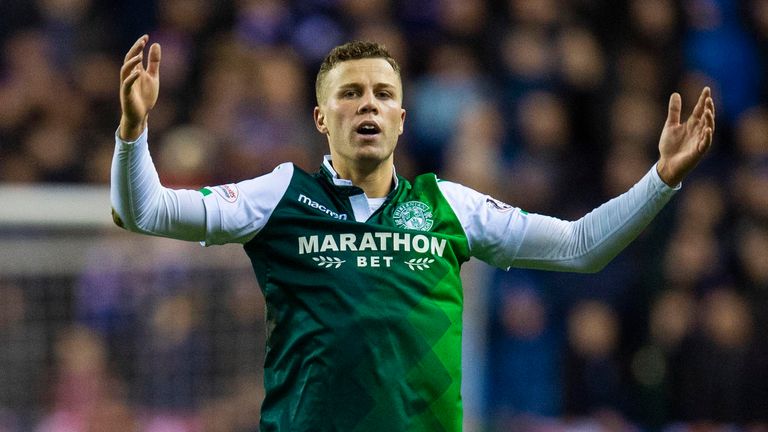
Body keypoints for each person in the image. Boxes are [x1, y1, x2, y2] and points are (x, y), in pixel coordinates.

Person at [111, 35, 715, 431]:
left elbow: (582, 248)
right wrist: (133, 130)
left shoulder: (448, 206)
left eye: (382, 94)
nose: (367, 105)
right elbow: (146, 212)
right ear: (322, 118)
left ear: (402, 117)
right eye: (349, 94)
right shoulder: (280, 195)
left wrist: (660, 178)